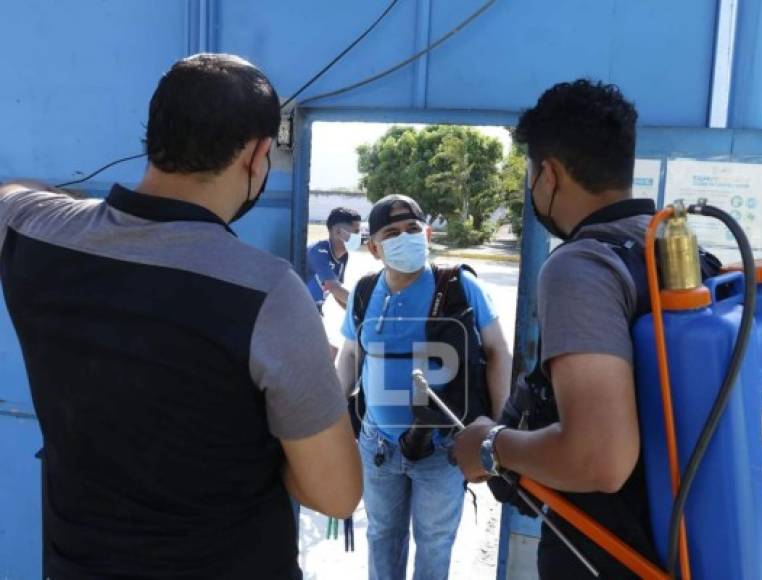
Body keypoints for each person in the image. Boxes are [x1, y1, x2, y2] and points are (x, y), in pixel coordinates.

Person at [0, 53, 361, 579]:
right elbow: (336, 493)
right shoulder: (267, 293)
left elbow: (11, 195)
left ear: (155, 135)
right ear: (258, 155)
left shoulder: (32, 233)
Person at [453, 79, 662, 578]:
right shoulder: (677, 251)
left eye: (530, 174)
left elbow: (600, 459)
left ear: (548, 174)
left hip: (609, 558)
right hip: (674, 548)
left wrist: (489, 444)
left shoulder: (583, 266)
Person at [335, 194, 511, 580]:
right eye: (392, 232)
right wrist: (331, 423)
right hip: (376, 445)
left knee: (434, 540)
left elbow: (498, 351)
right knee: (382, 535)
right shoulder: (364, 292)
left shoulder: (460, 286)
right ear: (375, 248)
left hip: (442, 449)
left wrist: (497, 429)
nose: (406, 237)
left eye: (413, 229)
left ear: (427, 233)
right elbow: (349, 356)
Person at [306, 207, 362, 312]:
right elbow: (334, 288)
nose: (359, 237)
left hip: (314, 310)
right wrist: (365, 306)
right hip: (296, 311)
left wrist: (355, 315)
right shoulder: (318, 252)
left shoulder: (344, 256)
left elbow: (337, 293)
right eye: (356, 232)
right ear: (337, 231)